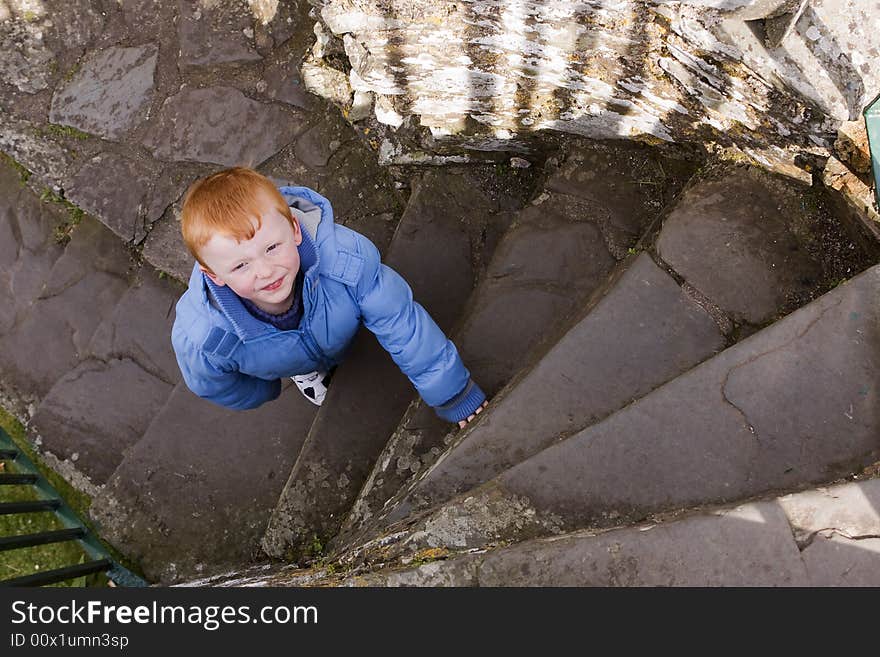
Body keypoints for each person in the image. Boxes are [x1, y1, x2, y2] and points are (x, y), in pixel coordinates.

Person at [171, 167, 488, 428]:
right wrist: (264, 388)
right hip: (276, 355)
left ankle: (320, 354)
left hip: (335, 325)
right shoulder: (206, 338)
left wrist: (452, 394)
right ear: (214, 275)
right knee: (292, 355)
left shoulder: (346, 261)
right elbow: (212, 383)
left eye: (272, 248)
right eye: (241, 265)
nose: (266, 271)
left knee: (350, 324)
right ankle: (304, 369)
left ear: (295, 230)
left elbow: (401, 321)